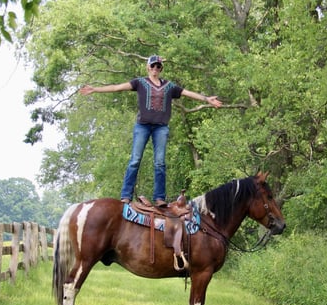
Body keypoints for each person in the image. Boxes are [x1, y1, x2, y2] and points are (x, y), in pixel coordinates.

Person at [80, 54, 223, 207]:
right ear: (148, 67)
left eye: (158, 66)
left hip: (161, 127)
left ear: (161, 69)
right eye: (153, 66)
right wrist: (95, 89)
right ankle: (126, 195)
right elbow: (116, 87)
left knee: (160, 162)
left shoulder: (169, 86)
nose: (155, 69)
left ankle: (159, 198)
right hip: (142, 126)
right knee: (135, 160)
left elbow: (187, 93)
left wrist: (207, 99)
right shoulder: (140, 83)